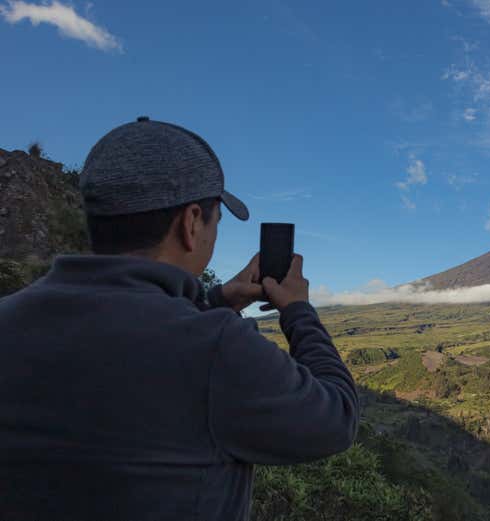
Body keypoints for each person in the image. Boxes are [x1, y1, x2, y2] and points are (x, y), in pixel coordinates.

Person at [0, 116, 359, 520]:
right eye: (215, 222)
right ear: (191, 223)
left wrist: (218, 299)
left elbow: (133, 331)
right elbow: (337, 418)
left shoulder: (10, 316)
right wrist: (298, 311)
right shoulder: (216, 347)